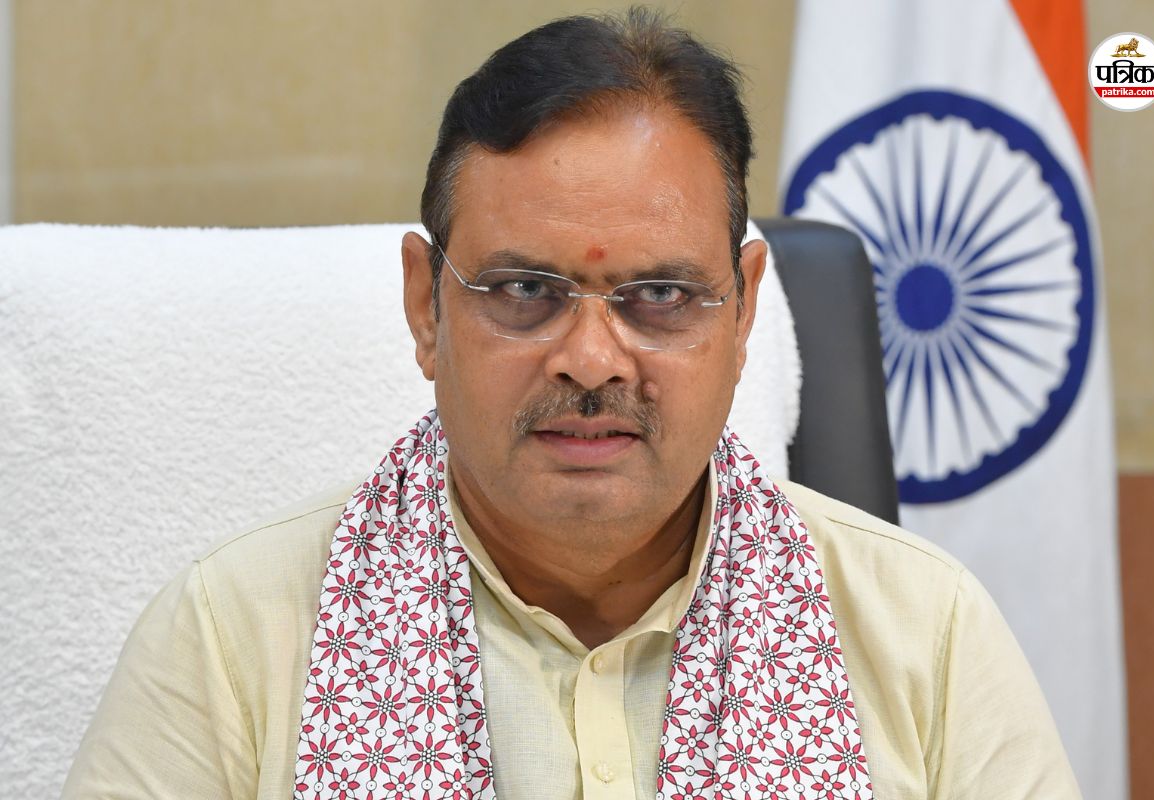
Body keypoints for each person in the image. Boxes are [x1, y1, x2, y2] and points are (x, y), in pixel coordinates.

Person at [63, 9, 1079, 800]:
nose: (592, 360)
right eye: (523, 291)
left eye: (661, 296)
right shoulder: (233, 639)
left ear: (743, 315)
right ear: (426, 308)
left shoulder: (924, 632)